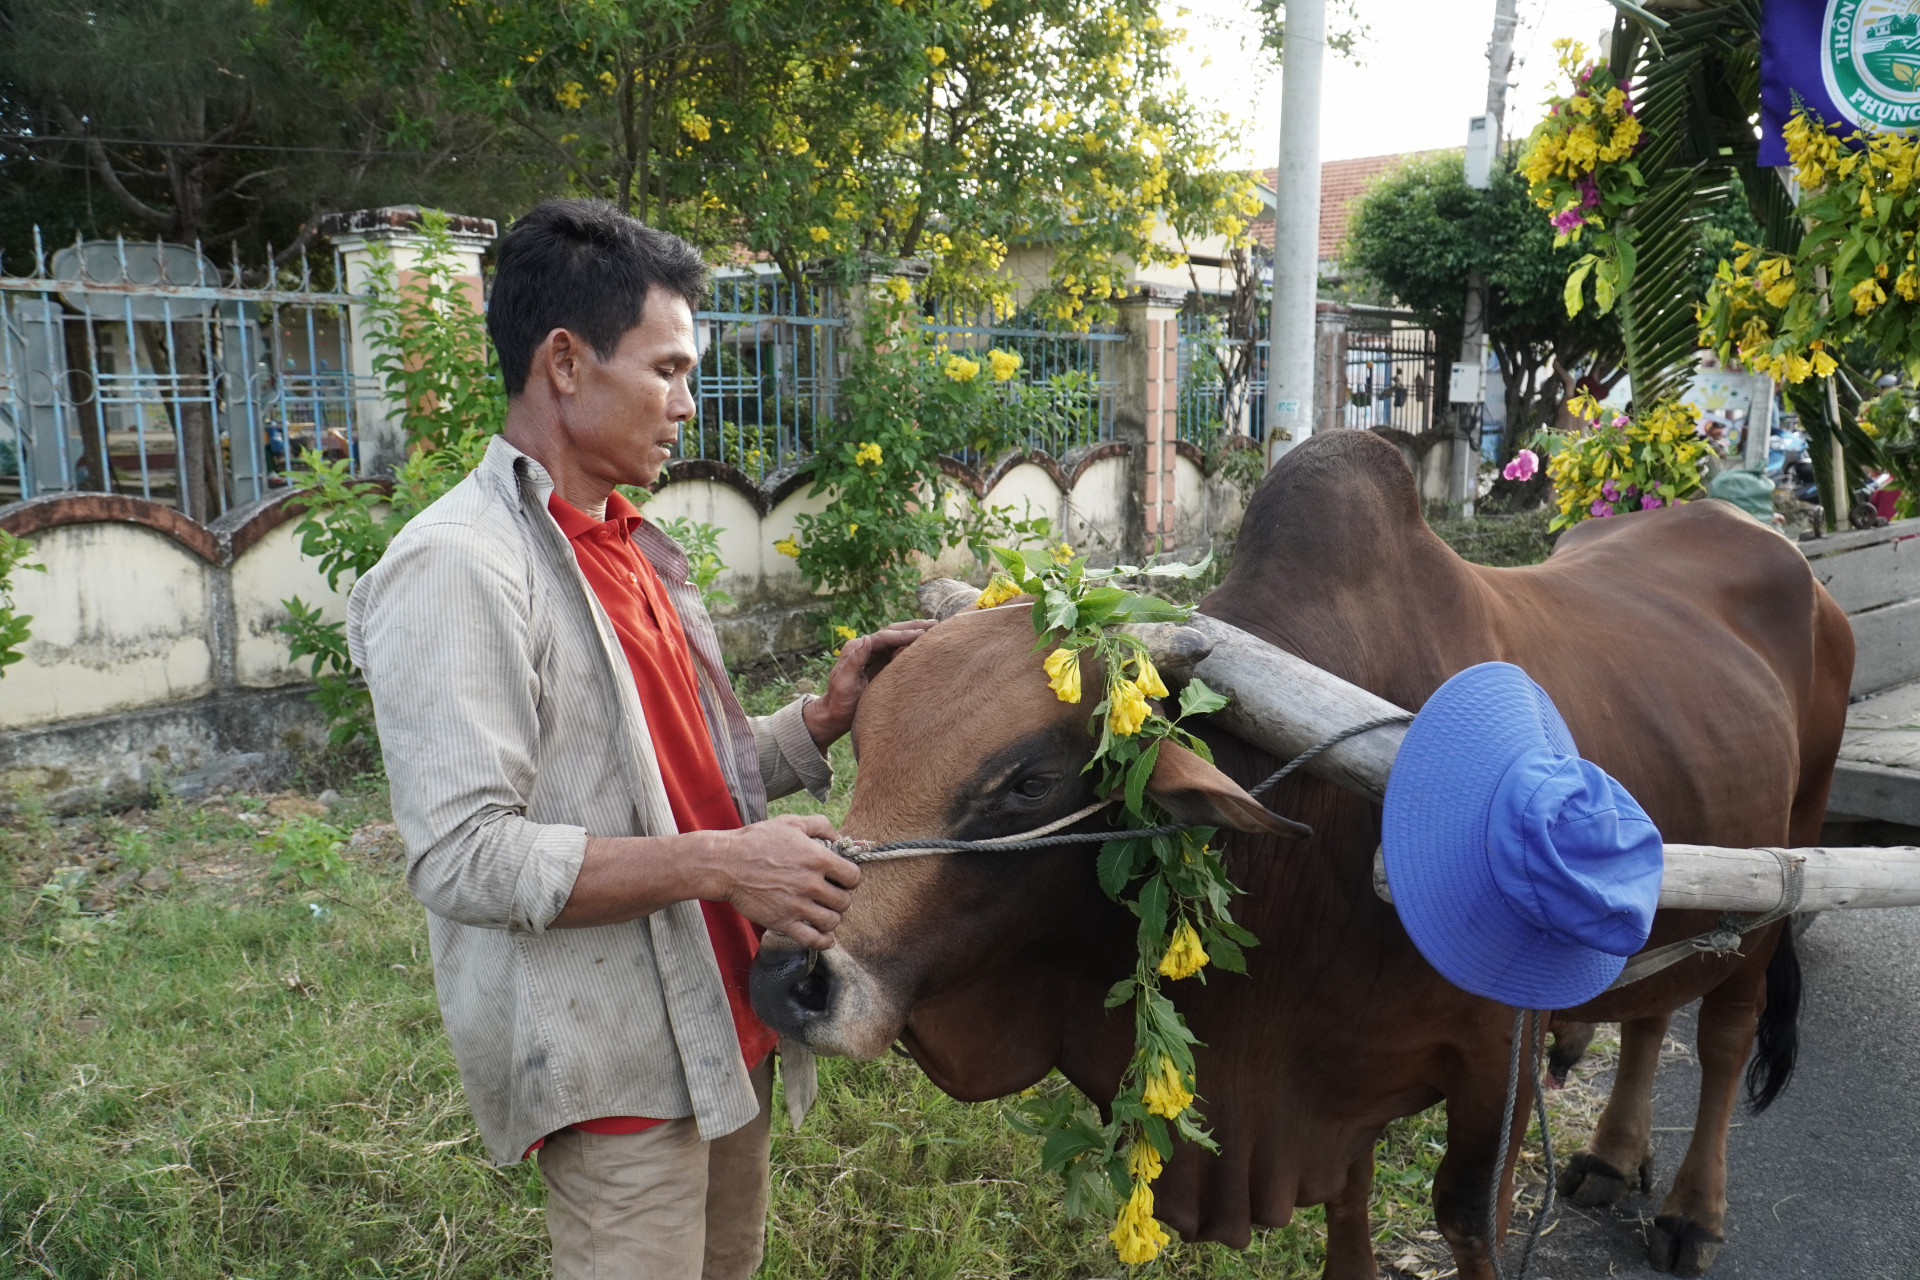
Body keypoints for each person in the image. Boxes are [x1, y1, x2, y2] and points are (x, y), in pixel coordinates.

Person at [346, 198, 930, 1280]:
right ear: (564, 363)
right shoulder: (459, 565)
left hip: (724, 1020)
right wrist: (724, 863)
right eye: (666, 370)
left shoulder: (628, 542)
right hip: (617, 1060)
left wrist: (816, 720)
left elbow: (665, 779)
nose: (686, 406)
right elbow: (463, 853)